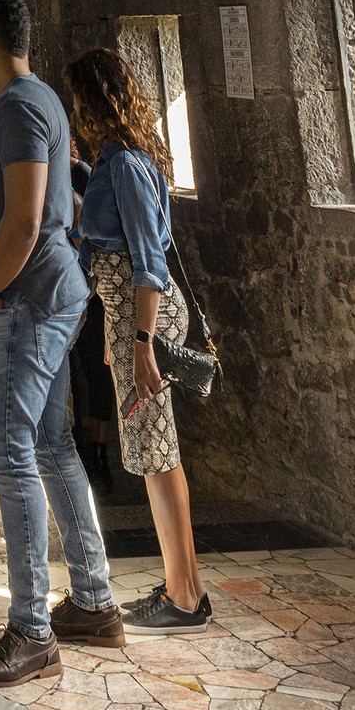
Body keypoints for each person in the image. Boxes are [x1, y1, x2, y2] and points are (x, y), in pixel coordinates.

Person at [0, 0, 123, 684]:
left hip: (27, 300)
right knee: (50, 445)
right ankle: (93, 599)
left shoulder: (20, 107)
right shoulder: (27, 101)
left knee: (8, 449)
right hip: (44, 296)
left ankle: (30, 629)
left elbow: (23, 221)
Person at [66, 47, 211, 629]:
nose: (74, 108)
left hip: (143, 313)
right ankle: (185, 589)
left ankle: (184, 599)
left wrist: (142, 341)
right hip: (128, 315)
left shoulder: (124, 164)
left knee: (158, 455)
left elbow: (148, 263)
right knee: (157, 453)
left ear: (93, 101)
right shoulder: (118, 159)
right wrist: (118, 332)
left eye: (77, 99)